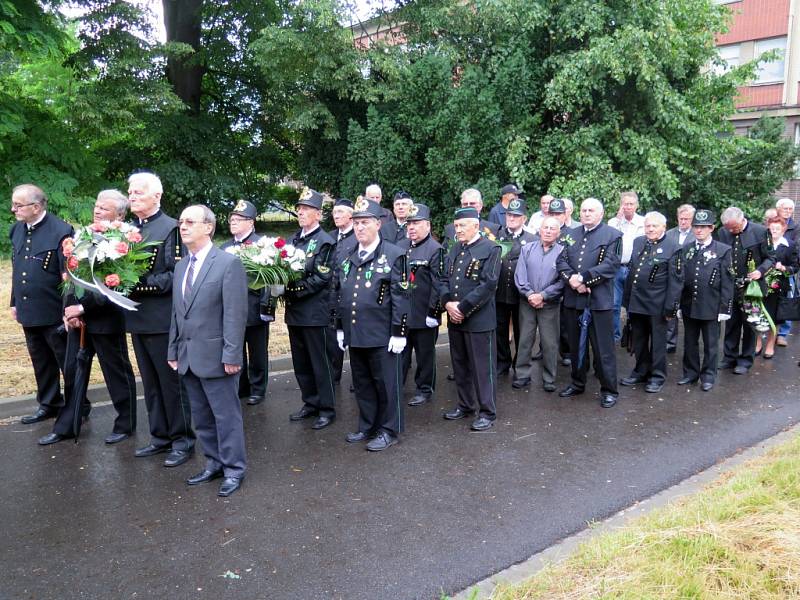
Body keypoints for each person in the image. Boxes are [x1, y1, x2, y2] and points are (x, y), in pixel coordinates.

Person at [38, 190, 138, 445]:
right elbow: (70, 276)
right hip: (78, 319)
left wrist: (83, 308)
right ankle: (68, 425)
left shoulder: (126, 240)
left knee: (116, 372)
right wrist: (69, 309)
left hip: (106, 318)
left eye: (104, 208)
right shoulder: (82, 236)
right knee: (72, 370)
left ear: (120, 214)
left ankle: (125, 423)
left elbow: (116, 285)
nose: (97, 210)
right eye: (96, 206)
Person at [168, 204, 248, 497]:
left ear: (208, 227)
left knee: (226, 417)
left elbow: (235, 315)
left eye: (190, 221)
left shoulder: (227, 264)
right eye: (181, 221)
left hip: (217, 357)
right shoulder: (180, 266)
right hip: (189, 356)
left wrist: (231, 355)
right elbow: (177, 313)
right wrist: (173, 349)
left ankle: (234, 469)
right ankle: (213, 462)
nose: (183, 226)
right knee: (201, 417)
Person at [335, 198, 410, 451]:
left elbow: (401, 296)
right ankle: (368, 425)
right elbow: (341, 293)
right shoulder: (347, 254)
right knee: (363, 383)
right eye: (356, 223)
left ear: (378, 224)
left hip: (382, 334)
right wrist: (340, 326)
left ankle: (390, 429)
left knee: (386, 384)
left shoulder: (394, 255)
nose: (360, 228)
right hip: (356, 332)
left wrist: (399, 332)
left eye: (365, 222)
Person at [9, 184, 73, 424]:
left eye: (18, 205)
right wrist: (15, 301)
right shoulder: (17, 230)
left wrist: (68, 309)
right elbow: (18, 269)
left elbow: (68, 275)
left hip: (54, 309)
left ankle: (78, 406)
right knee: (40, 360)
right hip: (28, 308)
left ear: (36, 207)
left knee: (65, 361)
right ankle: (49, 403)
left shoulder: (61, 230)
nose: (13, 208)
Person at [439, 206, 502, 430]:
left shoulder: (491, 248)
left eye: (463, 225)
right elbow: (444, 278)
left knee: (482, 368)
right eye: (456, 226)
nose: (459, 230)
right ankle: (465, 404)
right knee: (460, 365)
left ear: (476, 225)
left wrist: (462, 308)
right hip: (456, 318)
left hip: (478, 320)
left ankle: (487, 411)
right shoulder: (455, 249)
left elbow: (489, 284)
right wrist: (447, 302)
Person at [556, 197, 622, 408]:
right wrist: (573, 281)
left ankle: (609, 390)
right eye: (583, 210)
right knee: (575, 346)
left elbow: (611, 265)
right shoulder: (570, 234)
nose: (586, 213)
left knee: (603, 348)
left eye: (591, 210)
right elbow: (561, 261)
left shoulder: (613, 235)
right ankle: (577, 382)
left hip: (598, 301)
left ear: (601, 214)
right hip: (574, 299)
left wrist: (584, 278)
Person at [285, 188, 337, 430]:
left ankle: (326, 408)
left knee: (319, 362)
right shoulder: (294, 239)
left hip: (315, 312)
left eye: (306, 209)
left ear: (318, 214)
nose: (301, 213)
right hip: (295, 313)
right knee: (301, 362)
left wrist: (293, 291)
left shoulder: (325, 242)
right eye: (299, 209)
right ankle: (310, 402)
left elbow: (322, 277)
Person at [620, 212, 683, 394]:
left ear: (664, 227)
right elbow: (633, 270)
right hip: (637, 301)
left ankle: (657, 376)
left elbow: (676, 280)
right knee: (638, 339)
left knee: (657, 342)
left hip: (658, 304)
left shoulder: (673, 247)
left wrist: (671, 307)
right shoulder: (639, 241)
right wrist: (627, 299)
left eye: (654, 226)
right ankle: (640, 371)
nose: (650, 229)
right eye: (648, 226)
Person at [220, 200, 270, 406]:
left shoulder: (262, 245)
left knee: (257, 351)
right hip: (231, 310)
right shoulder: (225, 247)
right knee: (236, 348)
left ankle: (258, 388)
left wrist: (266, 308)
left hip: (254, 307)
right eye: (232, 219)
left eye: (238, 219)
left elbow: (269, 280)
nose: (233, 222)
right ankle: (240, 386)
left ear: (251, 222)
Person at [677, 209, 733, 391]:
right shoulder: (686, 249)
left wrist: (725, 307)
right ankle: (691, 373)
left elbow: (727, 281)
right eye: (696, 227)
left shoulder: (723, 250)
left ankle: (708, 375)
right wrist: (677, 303)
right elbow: (681, 278)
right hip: (689, 304)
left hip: (711, 305)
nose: (699, 230)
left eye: (703, 227)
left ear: (712, 228)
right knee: (690, 342)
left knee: (710, 344)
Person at [397, 203, 445, 406]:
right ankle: (396, 385)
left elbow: (439, 284)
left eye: (416, 223)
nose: (412, 227)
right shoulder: (401, 247)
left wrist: (434, 313)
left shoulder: (435, 249)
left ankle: (424, 388)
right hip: (403, 313)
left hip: (424, 313)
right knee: (400, 354)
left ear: (427, 225)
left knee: (425, 355)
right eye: (409, 224)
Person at [717, 207, 774, 375]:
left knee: (750, 323)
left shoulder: (761, 231)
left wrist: (760, 271)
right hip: (730, 286)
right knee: (731, 323)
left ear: (742, 220)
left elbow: (771, 258)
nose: (731, 231)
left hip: (751, 288)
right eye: (729, 228)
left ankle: (746, 360)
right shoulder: (723, 232)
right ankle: (729, 357)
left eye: (734, 228)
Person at [513, 216, 564, 391]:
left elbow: (562, 281)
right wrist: (529, 294)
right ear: (539, 230)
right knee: (525, 340)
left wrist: (543, 295)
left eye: (552, 228)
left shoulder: (563, 252)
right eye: (546, 228)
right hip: (527, 303)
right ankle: (522, 375)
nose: (548, 231)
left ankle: (549, 378)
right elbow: (520, 275)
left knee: (550, 343)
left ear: (558, 232)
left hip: (549, 304)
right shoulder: (527, 249)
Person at [494, 197, 536, 376]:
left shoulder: (532, 239)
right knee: (499, 331)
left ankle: (520, 364)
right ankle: (502, 363)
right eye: (509, 215)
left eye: (515, 216)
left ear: (524, 219)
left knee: (522, 332)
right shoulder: (496, 237)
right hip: (500, 292)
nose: (511, 218)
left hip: (521, 294)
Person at [608, 191, 646, 341]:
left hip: (635, 269)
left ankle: (633, 335)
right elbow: (611, 239)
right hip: (616, 268)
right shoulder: (613, 222)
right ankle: (614, 336)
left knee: (634, 305)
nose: (628, 207)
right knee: (614, 304)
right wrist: (618, 220)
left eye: (631, 204)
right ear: (621, 205)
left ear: (636, 205)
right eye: (625, 204)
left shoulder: (644, 222)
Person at [327, 198, 357, 384]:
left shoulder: (357, 238)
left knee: (353, 339)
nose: (336, 216)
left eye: (340, 212)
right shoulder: (329, 237)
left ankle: (358, 379)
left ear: (351, 216)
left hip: (349, 296)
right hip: (330, 298)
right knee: (332, 341)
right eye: (334, 212)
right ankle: (333, 376)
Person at [762, 217, 798, 357]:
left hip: (779, 286)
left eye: (777, 228)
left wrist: (784, 268)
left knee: (775, 317)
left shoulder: (790, 245)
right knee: (758, 314)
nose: (774, 231)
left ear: (783, 229)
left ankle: (770, 345)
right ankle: (758, 343)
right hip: (761, 285)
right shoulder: (763, 243)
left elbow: (795, 267)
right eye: (772, 228)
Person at [664, 204, 696, 353]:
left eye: (687, 219)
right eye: (681, 219)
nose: (683, 222)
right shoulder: (669, 234)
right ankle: (670, 343)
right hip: (673, 279)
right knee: (671, 309)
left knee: (689, 312)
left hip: (690, 279)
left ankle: (690, 344)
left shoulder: (697, 234)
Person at [775, 198, 796, 347]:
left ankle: (782, 334)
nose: (788, 211)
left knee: (787, 300)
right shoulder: (772, 223)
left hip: (787, 267)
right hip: (770, 267)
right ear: (778, 209)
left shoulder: (796, 227)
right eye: (785, 209)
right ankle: (767, 330)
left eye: (790, 209)